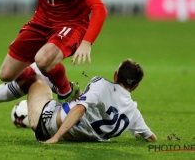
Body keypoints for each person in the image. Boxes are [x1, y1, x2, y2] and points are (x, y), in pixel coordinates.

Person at [27, 58, 157, 143]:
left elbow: (80, 108)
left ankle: (16, 101)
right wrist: (137, 134)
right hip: (74, 134)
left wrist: (55, 138)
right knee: (79, 95)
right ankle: (66, 90)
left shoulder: (101, 84)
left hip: (47, 122)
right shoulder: (134, 113)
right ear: (135, 86)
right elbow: (151, 138)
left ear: (115, 75)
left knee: (35, 78)